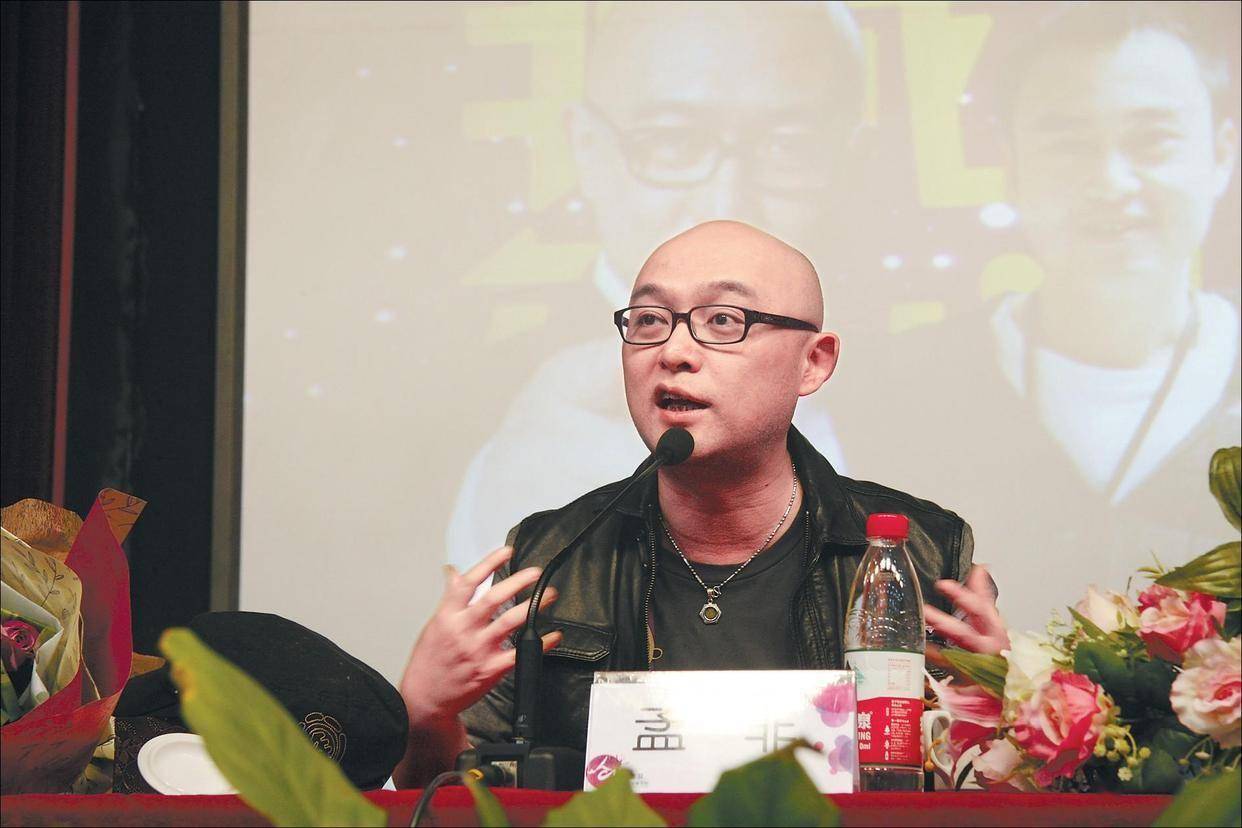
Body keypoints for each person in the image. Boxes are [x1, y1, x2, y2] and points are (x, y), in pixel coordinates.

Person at [394, 221, 1007, 787]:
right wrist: (426, 714)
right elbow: (462, 800)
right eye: (649, 320)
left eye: (723, 320)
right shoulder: (554, 558)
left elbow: (967, 791)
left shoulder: (918, 555)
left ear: (813, 363)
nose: (674, 352)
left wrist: (1004, 720)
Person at [841, 2, 1241, 625]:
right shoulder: (897, 386)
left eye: (1152, 140)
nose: (1111, 182)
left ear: (1222, 153)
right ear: (1011, 165)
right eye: (1070, 145)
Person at [445, 1, 868, 569]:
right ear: (587, 148)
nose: (725, 199)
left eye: (787, 146)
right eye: (671, 142)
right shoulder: (477, 404)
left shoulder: (943, 401)